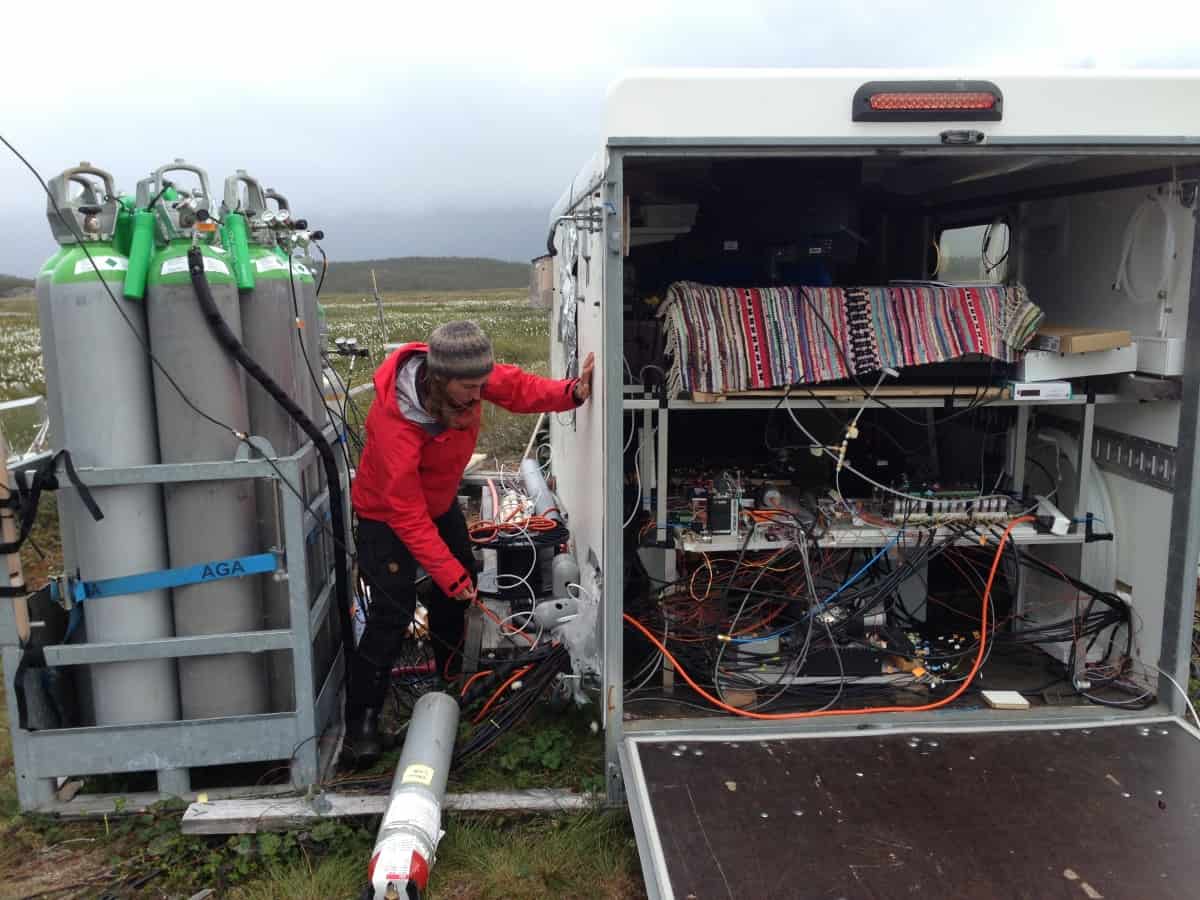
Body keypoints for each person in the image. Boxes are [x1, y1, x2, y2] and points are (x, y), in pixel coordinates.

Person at [346, 320, 595, 763]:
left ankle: (449, 679)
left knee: (459, 591)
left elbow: (518, 388)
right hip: (385, 516)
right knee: (392, 612)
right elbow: (404, 512)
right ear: (439, 383)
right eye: (470, 390)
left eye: (483, 384)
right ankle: (361, 724)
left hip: (438, 506)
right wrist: (445, 573)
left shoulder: (468, 373)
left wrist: (571, 393)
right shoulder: (394, 426)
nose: (480, 395)